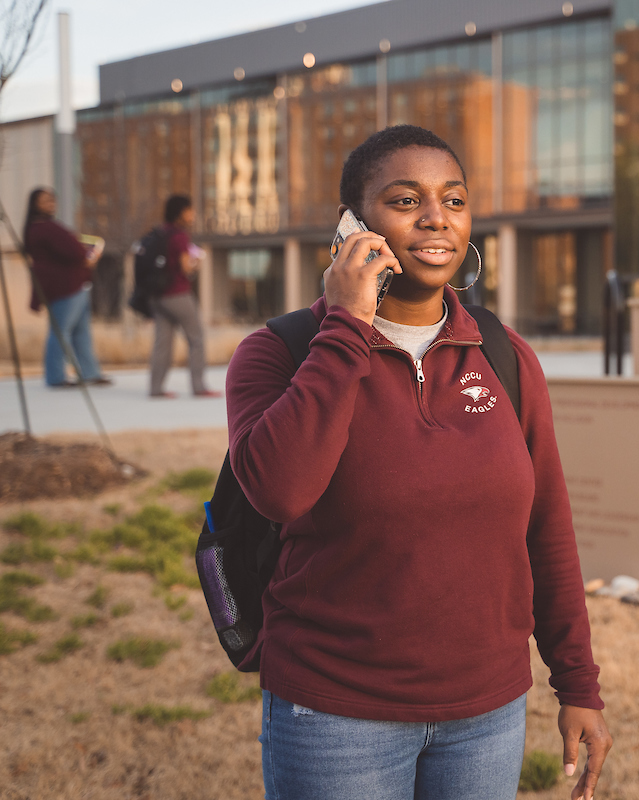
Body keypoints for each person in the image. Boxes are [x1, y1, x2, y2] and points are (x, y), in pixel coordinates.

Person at [225, 124, 613, 800]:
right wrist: (347, 326)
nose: (437, 217)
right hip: (336, 716)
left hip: (487, 714)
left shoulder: (505, 356)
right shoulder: (279, 353)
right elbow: (281, 491)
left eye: (454, 200)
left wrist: (577, 682)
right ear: (352, 226)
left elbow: (546, 527)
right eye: (406, 200)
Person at [23, 187, 112, 388]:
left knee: (80, 332)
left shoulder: (39, 228)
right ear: (34, 204)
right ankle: (55, 377)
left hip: (73, 286)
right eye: (45, 200)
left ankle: (90, 373)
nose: (51, 203)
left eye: (52, 199)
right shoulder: (45, 228)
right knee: (60, 332)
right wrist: (87, 257)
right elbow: (74, 251)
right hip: (66, 288)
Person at [149, 194, 218, 398]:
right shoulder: (179, 236)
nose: (192, 214)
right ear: (181, 213)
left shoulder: (160, 233)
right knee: (196, 339)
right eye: (190, 210)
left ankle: (156, 388)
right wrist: (197, 261)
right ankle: (199, 387)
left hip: (158, 296)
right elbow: (186, 267)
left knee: (162, 343)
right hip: (177, 294)